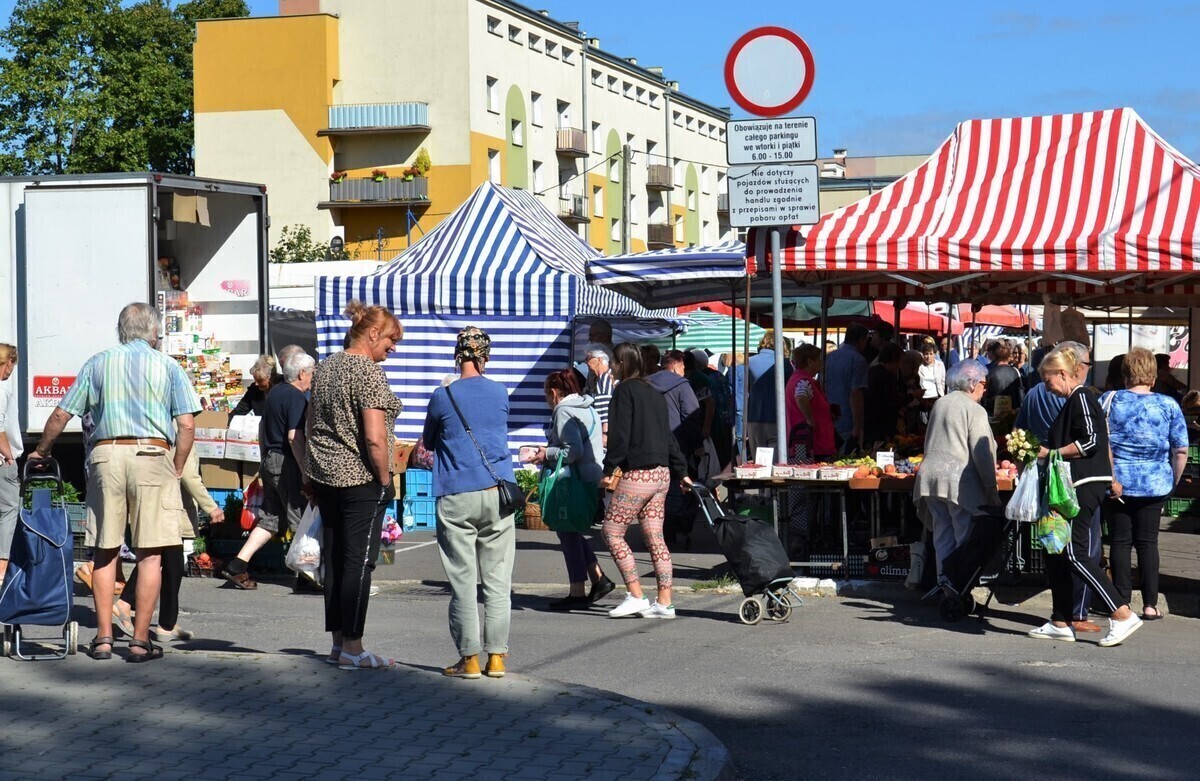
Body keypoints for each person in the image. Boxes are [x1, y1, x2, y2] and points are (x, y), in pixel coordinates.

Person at [32, 302, 199, 662]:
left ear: (120, 330)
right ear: (153, 331)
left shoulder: (98, 362)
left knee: (105, 550)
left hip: (107, 455)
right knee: (151, 553)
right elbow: (186, 425)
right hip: (154, 456)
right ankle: (140, 641)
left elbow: (63, 413)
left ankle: (104, 638)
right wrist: (177, 465)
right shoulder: (168, 366)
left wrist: (42, 449)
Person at [305, 300, 402, 670]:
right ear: (372, 334)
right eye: (391, 340)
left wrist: (309, 471)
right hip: (360, 478)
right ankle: (354, 647)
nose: (392, 349)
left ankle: (337, 644)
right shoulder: (367, 372)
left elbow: (310, 425)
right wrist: (385, 478)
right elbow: (375, 437)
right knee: (359, 563)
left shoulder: (326, 367)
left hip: (326, 476)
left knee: (335, 560)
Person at [1029, 343, 1144, 647]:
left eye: (1048, 378)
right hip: (1079, 484)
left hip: (1084, 484)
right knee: (1058, 551)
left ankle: (1120, 613)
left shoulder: (1081, 398)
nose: (1046, 385)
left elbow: (1090, 441)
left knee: (1075, 553)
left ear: (1063, 373)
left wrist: (1050, 451)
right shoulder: (1077, 400)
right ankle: (1061, 620)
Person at [423, 326, 516, 679]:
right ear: (485, 357)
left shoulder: (442, 395)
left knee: (463, 581)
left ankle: (470, 659)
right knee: (498, 580)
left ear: (456, 356)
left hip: (456, 494)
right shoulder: (500, 391)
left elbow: (430, 442)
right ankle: (496, 657)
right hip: (497, 492)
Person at [600, 342, 690, 620]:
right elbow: (669, 435)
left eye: (614, 363)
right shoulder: (653, 391)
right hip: (662, 473)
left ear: (621, 363)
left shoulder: (623, 391)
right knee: (655, 536)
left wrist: (609, 467)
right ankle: (664, 602)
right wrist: (682, 469)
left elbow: (619, 435)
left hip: (638, 473)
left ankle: (636, 594)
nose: (612, 368)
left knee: (612, 532)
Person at [1101, 347, 1188, 621]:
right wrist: (1172, 480)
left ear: (1125, 374)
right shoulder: (1168, 405)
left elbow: (1102, 444)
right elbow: (1181, 449)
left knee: (1120, 542)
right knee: (1149, 543)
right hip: (1155, 481)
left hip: (1118, 482)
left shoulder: (1109, 400)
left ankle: (1121, 603)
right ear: (1153, 375)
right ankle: (1150, 604)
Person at [220, 351, 316, 591]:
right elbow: (295, 437)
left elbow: (263, 428)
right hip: (286, 462)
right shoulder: (296, 397)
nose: (313, 378)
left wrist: (266, 460)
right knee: (301, 518)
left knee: (271, 519)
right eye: (312, 373)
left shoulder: (274, 393)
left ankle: (237, 565)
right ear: (302, 373)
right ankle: (307, 576)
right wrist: (305, 473)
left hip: (270, 460)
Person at [114, 439, 226, 642]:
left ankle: (163, 620)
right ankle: (150, 616)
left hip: (153, 497)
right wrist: (211, 506)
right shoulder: (182, 426)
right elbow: (189, 475)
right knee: (164, 561)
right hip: (172, 504)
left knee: (163, 558)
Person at [523, 369, 615, 610]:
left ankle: (577, 591)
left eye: (546, 394)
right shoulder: (588, 407)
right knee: (573, 531)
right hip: (589, 477)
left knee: (567, 533)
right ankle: (598, 578)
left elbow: (572, 451)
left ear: (554, 392)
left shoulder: (564, 411)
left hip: (571, 481)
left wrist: (545, 454)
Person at [913, 361, 999, 585]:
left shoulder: (941, 403)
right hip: (957, 481)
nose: (984, 388)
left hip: (930, 478)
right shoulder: (975, 409)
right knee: (964, 537)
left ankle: (945, 584)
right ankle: (960, 587)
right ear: (971, 384)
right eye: (983, 383)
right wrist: (990, 486)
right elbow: (983, 451)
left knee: (942, 535)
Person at [784, 344, 836, 550]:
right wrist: (809, 419)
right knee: (804, 495)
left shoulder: (802, 380)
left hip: (808, 445)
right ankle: (802, 541)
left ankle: (805, 538)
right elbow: (801, 396)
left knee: (806, 495)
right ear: (810, 361)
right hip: (806, 446)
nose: (821, 363)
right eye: (819, 359)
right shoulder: (803, 380)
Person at [824, 323, 870, 451]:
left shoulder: (829, 357)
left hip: (829, 417)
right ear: (861, 340)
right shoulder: (858, 360)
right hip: (847, 420)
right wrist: (857, 426)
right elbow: (856, 394)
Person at [746, 338, 794, 457]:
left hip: (754, 416)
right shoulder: (785, 364)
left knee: (759, 460)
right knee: (777, 459)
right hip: (778, 417)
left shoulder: (749, 361)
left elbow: (746, 388)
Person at [0, 344, 21, 584]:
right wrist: (9, 455)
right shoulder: (2, 389)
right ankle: (3, 565)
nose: (11, 371)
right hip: (2, 459)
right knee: (8, 510)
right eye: (11, 366)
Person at [864, 343, 907, 446]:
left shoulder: (871, 371)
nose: (900, 365)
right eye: (900, 360)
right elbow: (892, 402)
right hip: (882, 424)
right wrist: (912, 396)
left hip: (869, 422)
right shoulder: (888, 377)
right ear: (894, 359)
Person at [584, 345, 615, 446]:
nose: (586, 362)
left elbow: (605, 407)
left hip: (604, 432)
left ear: (599, 360)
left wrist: (604, 433)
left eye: (588, 358)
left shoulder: (604, 377)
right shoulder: (602, 377)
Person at [228, 354, 277, 420]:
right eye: (255, 379)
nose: (256, 383)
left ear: (270, 378)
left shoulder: (283, 390)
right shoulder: (254, 390)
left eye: (260, 380)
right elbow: (240, 410)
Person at [984, 341, 1024, 416]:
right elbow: (1019, 390)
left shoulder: (990, 373)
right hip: (1012, 411)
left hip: (993, 411)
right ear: (1009, 357)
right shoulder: (1015, 372)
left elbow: (986, 392)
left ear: (995, 357)